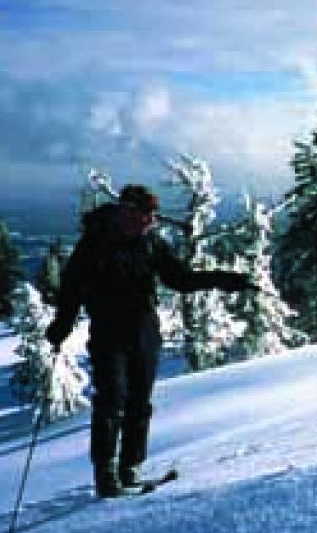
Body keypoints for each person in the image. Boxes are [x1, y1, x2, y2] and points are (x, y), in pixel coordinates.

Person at [46, 184, 251, 498]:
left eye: (152, 215)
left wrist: (224, 279)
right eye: (146, 215)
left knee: (139, 402)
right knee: (112, 399)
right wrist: (61, 326)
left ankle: (130, 467)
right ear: (127, 211)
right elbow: (72, 288)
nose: (151, 221)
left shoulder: (150, 243)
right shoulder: (95, 244)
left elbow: (179, 279)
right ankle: (106, 472)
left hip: (144, 329)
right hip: (108, 330)